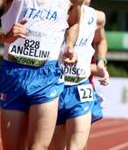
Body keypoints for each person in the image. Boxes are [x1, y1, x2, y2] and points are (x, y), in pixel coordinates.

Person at [0, 0, 83, 150]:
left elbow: (74, 23)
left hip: (47, 75)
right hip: (14, 74)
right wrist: (4, 36)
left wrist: (70, 46)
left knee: (38, 147)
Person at [48, 0, 109, 150]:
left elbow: (101, 40)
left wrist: (101, 61)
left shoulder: (97, 17)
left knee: (77, 146)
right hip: (54, 86)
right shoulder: (53, 13)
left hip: (80, 86)